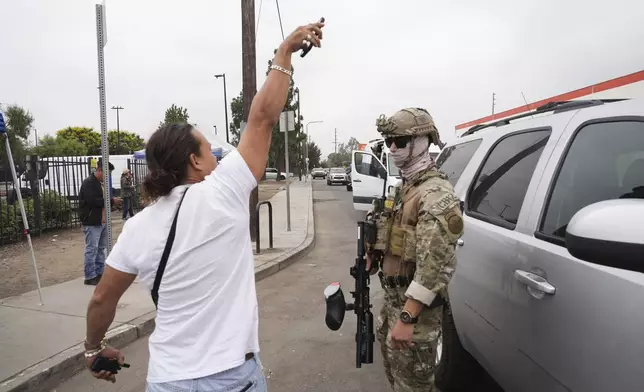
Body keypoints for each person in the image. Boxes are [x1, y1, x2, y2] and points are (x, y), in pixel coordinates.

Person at [82, 20, 324, 391]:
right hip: (232, 377)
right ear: (194, 162)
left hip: (168, 380)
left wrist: (92, 349)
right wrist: (284, 53)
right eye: (209, 150)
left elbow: (102, 299)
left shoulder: (138, 227)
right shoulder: (224, 191)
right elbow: (261, 118)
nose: (216, 157)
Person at [368, 108, 464, 391]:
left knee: (413, 386)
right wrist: (372, 254)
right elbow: (396, 236)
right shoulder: (406, 187)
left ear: (422, 141)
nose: (393, 148)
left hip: (416, 315)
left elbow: (435, 267)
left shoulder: (435, 194)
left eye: (399, 140)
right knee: (397, 378)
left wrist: (408, 317)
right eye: (389, 142)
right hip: (393, 301)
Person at [78, 159, 121, 285]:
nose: (108, 176)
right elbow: (93, 201)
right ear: (99, 170)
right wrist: (112, 201)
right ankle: (90, 275)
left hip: (102, 220)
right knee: (92, 248)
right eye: (107, 173)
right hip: (92, 221)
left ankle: (99, 272)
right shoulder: (89, 183)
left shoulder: (101, 183)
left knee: (101, 248)